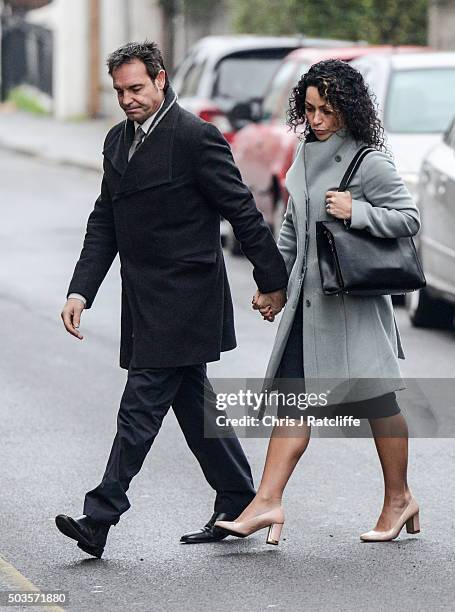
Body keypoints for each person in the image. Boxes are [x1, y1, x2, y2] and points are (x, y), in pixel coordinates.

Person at [55, 41, 287, 558]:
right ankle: (238, 500)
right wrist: (80, 289)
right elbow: (105, 223)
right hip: (144, 299)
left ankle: (100, 516)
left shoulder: (195, 137)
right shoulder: (118, 141)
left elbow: (242, 211)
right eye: (119, 91)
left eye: (136, 88)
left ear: (161, 79)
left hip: (187, 297)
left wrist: (272, 279)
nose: (127, 99)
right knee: (192, 403)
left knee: (140, 408)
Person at [216, 59, 421, 544]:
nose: (317, 120)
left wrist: (360, 211)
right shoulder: (306, 154)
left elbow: (408, 218)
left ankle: (399, 499)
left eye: (326, 110)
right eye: (309, 110)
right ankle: (267, 502)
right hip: (308, 312)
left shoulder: (368, 159)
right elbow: (291, 229)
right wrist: (275, 286)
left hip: (353, 311)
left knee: (379, 404)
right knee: (294, 402)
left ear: (348, 110)